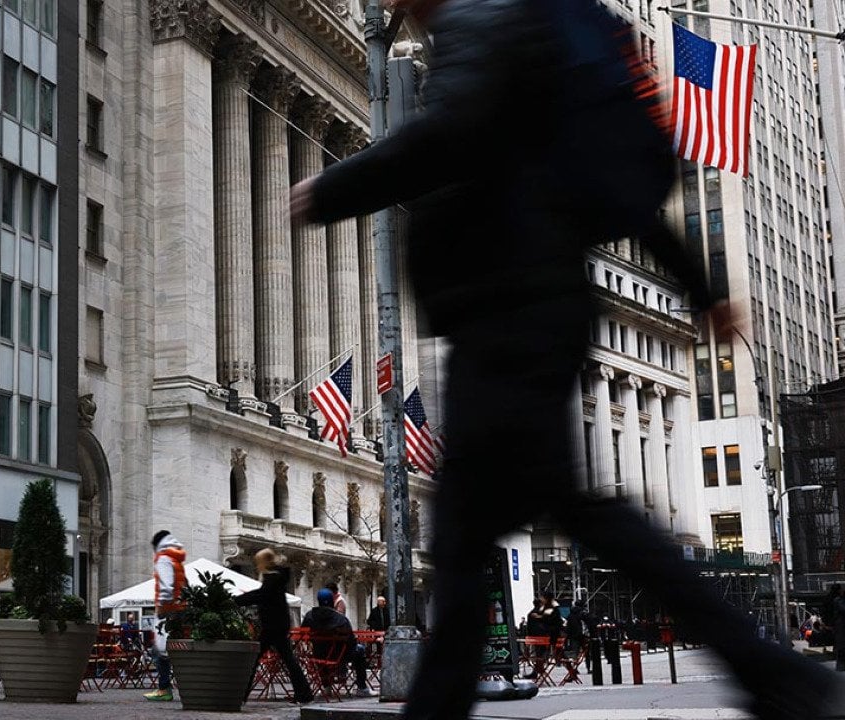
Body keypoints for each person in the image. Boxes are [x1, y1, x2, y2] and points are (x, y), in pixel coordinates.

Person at [289, 0, 840, 716]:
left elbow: (451, 135)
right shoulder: (516, 28)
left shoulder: (477, 21)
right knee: (490, 535)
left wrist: (333, 189)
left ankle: (778, 677)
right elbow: (611, 189)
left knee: (485, 538)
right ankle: (775, 677)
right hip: (527, 307)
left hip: (507, 312)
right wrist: (697, 286)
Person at [235, 549, 314, 704]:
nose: (257, 565)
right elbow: (261, 594)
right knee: (288, 660)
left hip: (273, 626)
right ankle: (304, 694)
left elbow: (261, 595)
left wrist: (237, 600)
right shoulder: (276, 577)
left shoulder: (273, 578)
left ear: (263, 562)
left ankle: (241, 694)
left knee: (256, 658)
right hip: (276, 625)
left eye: (258, 562)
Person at [302, 589, 376, 698]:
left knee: (322, 652)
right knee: (360, 649)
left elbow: (303, 632)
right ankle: (362, 687)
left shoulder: (309, 616)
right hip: (340, 655)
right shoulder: (341, 619)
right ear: (332, 601)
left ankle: (326, 687)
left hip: (318, 654)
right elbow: (351, 641)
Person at [144, 530, 186, 702]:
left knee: (160, 651)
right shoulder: (176, 558)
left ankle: (164, 689)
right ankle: (176, 686)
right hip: (180, 609)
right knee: (176, 650)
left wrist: (162, 608)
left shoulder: (163, 558)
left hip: (168, 611)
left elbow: (166, 587)